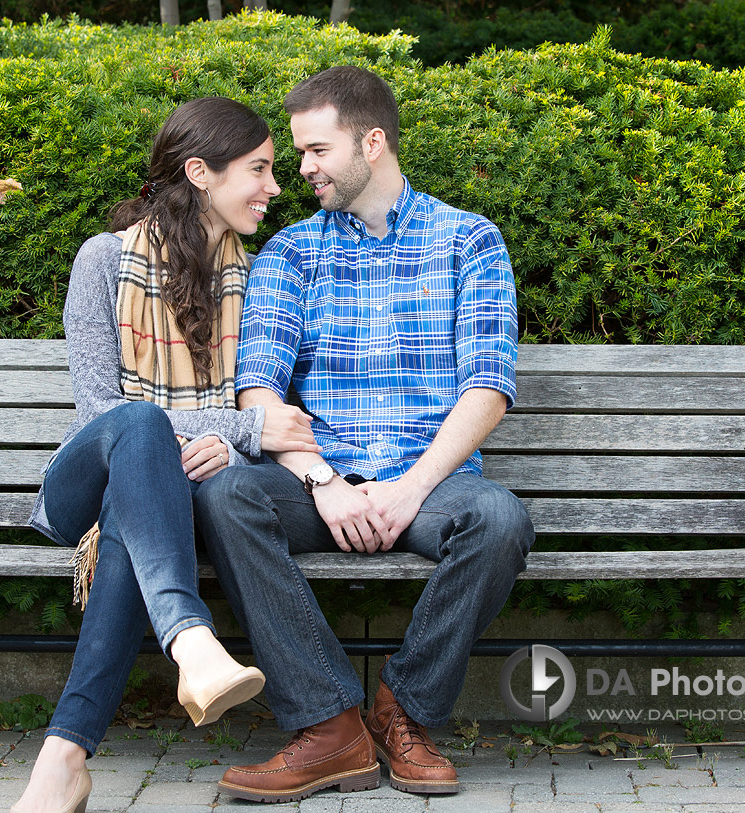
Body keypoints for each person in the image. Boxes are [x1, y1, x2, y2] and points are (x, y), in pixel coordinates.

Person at [194, 67, 535, 803]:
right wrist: (325, 481)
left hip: (433, 482)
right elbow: (257, 387)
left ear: (371, 142)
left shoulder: (468, 241)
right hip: (319, 481)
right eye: (299, 155)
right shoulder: (292, 253)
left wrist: (411, 488)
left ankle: (404, 710)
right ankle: (329, 724)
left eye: (316, 151)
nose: (302, 171)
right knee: (224, 494)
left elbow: (488, 387)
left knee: (500, 518)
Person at [12, 97, 319, 813]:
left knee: (139, 496)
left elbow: (270, 409)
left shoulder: (263, 275)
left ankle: (66, 761)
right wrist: (237, 433)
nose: (276, 187)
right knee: (140, 426)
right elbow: (103, 414)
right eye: (259, 169)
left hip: (160, 502)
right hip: (82, 486)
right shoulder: (104, 260)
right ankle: (191, 637)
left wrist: (233, 447)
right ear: (199, 173)